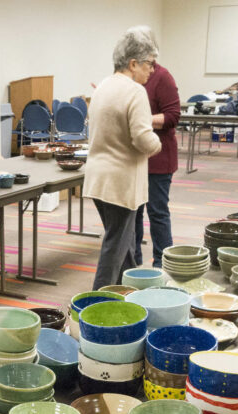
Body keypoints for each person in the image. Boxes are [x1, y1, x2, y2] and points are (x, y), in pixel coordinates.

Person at [84, 26, 162, 289]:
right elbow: (142, 138)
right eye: (150, 64)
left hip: (98, 179)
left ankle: (130, 293)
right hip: (121, 183)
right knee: (115, 247)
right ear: (133, 63)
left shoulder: (103, 86)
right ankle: (94, 304)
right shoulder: (135, 91)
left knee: (124, 244)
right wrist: (157, 144)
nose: (152, 70)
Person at [134, 60, 181, 269]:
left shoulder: (163, 76)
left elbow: (172, 116)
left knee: (157, 212)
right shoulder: (130, 77)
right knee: (133, 212)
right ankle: (132, 261)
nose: (150, 68)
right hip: (135, 156)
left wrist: (140, 118)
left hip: (159, 157)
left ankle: (163, 265)